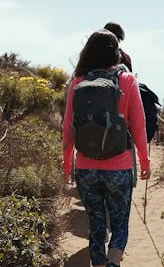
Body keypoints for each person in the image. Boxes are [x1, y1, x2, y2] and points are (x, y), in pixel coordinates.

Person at [62, 29, 151, 267]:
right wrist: (145, 161)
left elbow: (68, 128)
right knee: (119, 225)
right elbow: (139, 126)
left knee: (97, 225)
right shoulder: (127, 80)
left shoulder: (77, 83)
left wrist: (66, 163)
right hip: (119, 168)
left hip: (85, 168)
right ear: (116, 54)